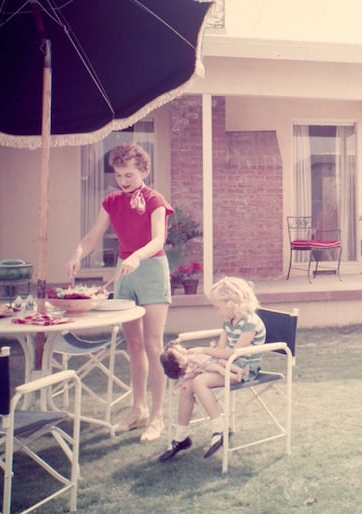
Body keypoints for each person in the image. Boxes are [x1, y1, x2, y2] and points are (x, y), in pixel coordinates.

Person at [65, 142, 173, 442]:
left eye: (129, 174)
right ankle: (137, 410)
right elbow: (91, 237)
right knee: (133, 346)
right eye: (119, 175)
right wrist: (76, 254)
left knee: (153, 345)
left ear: (144, 170)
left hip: (150, 271)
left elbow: (158, 240)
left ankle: (157, 417)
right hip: (124, 274)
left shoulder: (155, 200)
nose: (123, 181)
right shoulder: (111, 201)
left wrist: (137, 256)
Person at [159, 276, 266, 462]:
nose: (216, 312)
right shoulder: (229, 321)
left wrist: (205, 351)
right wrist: (204, 361)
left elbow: (235, 352)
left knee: (200, 382)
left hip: (243, 370)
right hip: (226, 364)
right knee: (186, 384)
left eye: (217, 307)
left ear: (232, 303)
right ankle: (181, 437)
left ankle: (219, 428)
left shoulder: (250, 322)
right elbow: (221, 349)